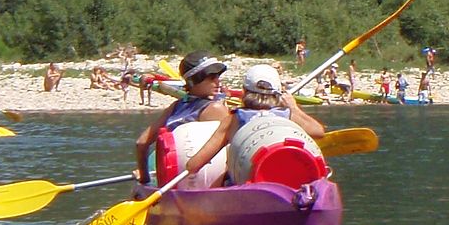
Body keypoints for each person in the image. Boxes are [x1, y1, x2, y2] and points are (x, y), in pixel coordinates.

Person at [180, 65, 325, 186]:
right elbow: (319, 131)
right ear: (278, 92)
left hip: (246, 188)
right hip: (289, 187)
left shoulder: (234, 119)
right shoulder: (288, 115)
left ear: (244, 91)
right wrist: (294, 107)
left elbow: (194, 165)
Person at [133, 52, 234, 183]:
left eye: (218, 76)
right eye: (211, 77)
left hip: (166, 176)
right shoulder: (215, 109)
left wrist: (144, 177)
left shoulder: (176, 106)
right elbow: (230, 153)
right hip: (196, 182)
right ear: (193, 81)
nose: (218, 82)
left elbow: (141, 143)